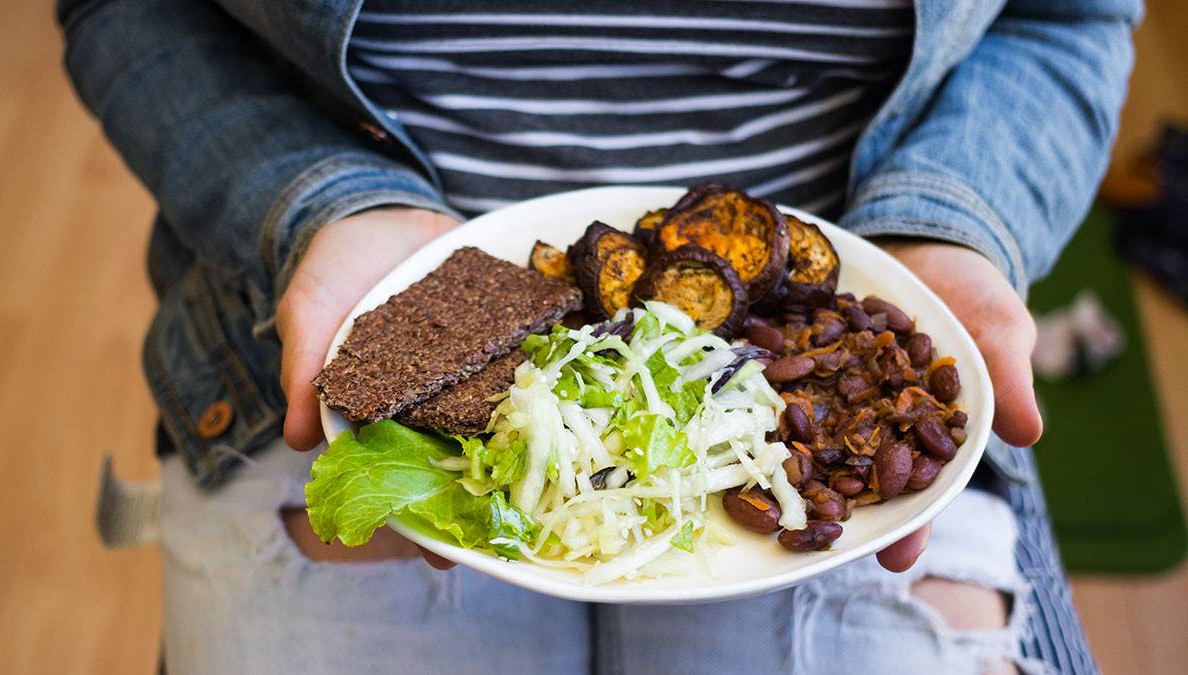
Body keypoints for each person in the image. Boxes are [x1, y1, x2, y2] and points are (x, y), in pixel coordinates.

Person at [60, 1, 1139, 673]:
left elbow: (1066, 17)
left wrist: (948, 223)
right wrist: (318, 203)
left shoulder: (841, 374)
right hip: (319, 316)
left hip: (843, 284)